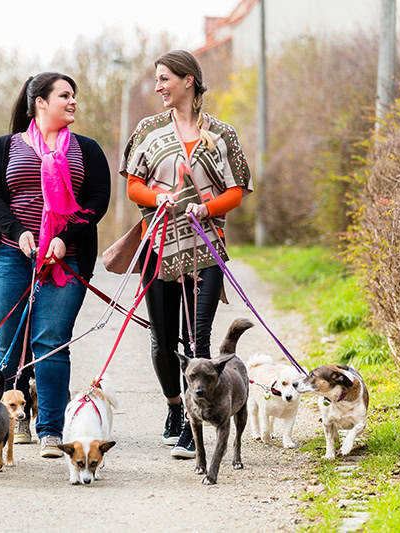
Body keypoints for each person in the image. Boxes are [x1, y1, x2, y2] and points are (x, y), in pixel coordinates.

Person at [119, 50, 253, 458]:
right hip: (158, 244)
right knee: (162, 339)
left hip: (206, 247)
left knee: (199, 336)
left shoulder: (222, 134)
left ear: (188, 80)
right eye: (158, 80)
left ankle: (196, 420)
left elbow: (237, 191)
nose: (159, 86)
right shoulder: (148, 130)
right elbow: (133, 185)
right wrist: (159, 196)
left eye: (164, 79)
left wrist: (206, 207)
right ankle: (175, 410)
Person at [0, 72, 111, 458]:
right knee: (9, 340)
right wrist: (19, 232)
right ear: (40, 102)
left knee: (51, 342)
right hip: (10, 254)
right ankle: (11, 419)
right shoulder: (4, 147)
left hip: (65, 259)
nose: (73, 102)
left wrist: (62, 238)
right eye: (65, 95)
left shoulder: (86, 150)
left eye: (74, 96)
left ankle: (51, 429)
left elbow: (96, 203)